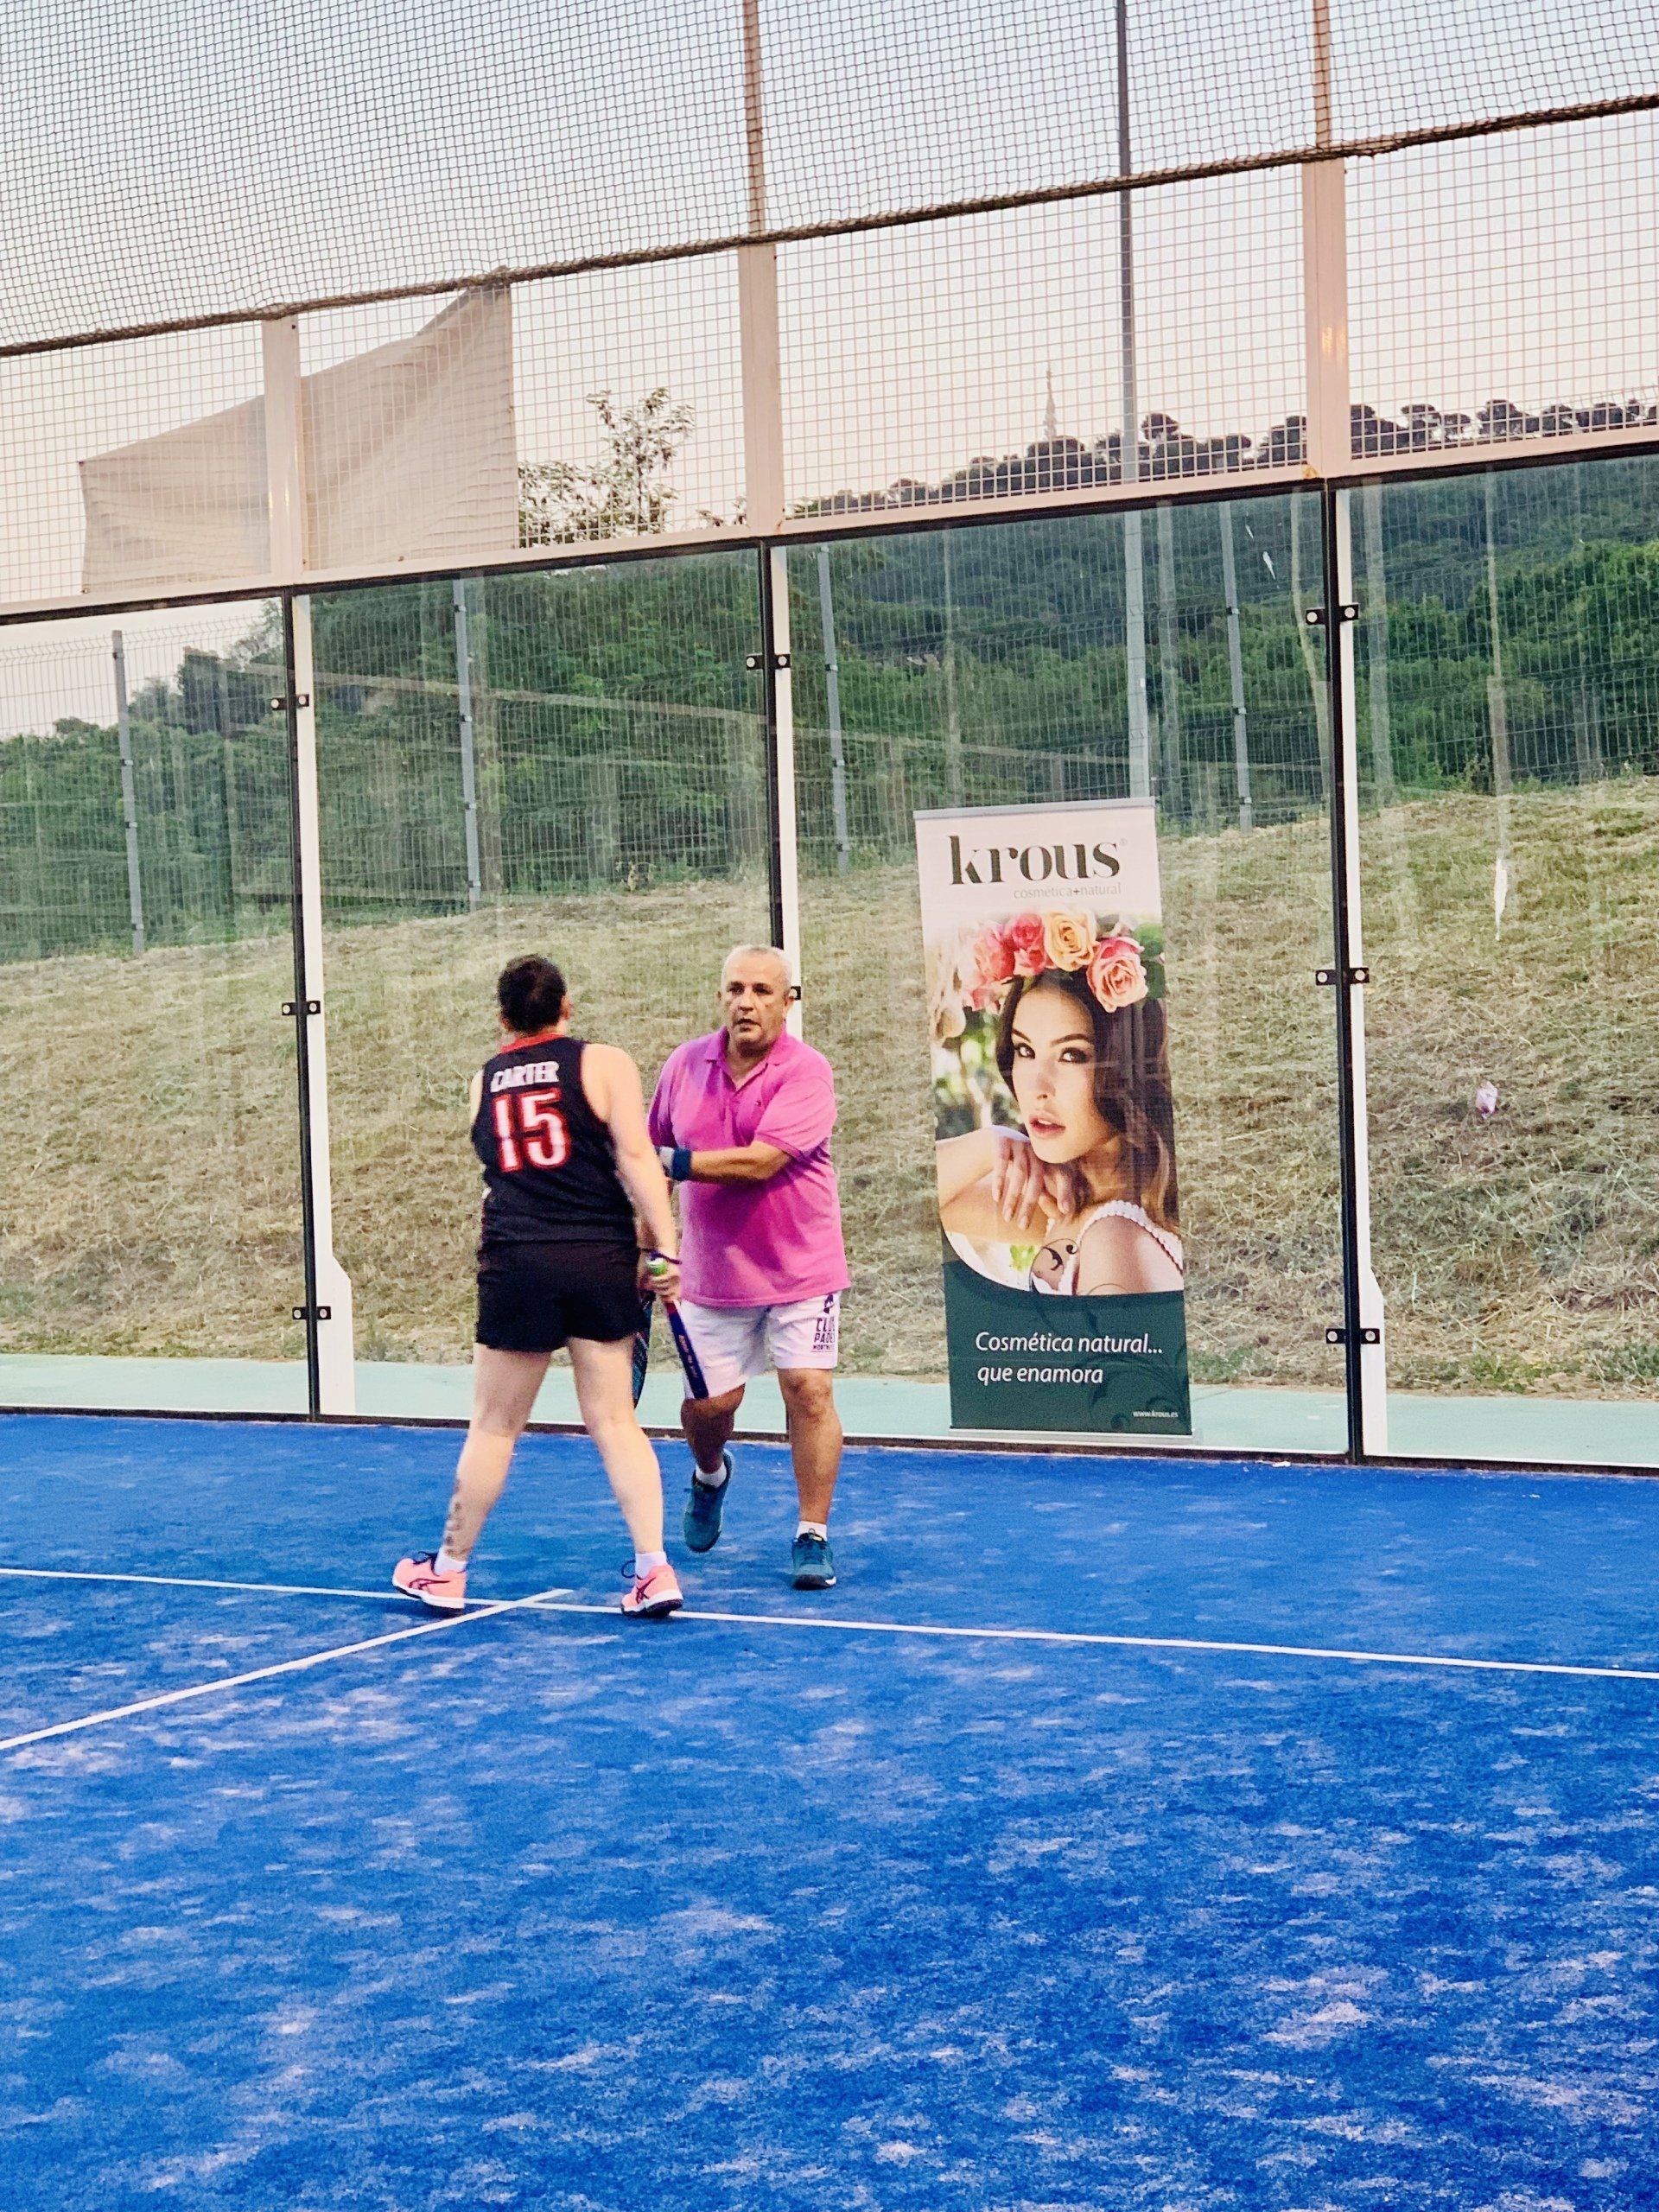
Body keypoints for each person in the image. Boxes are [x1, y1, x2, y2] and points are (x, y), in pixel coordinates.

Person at [393, 954, 686, 1620]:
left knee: (495, 1426)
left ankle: (448, 1572)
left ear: (503, 1019)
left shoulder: (483, 1083)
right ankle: (654, 1569)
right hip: (597, 1255)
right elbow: (637, 1159)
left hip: (517, 1260)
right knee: (615, 1420)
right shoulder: (604, 1064)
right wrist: (664, 1249)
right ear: (567, 1006)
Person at [649, 945, 850, 1589]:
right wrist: (646, 1247)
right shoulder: (683, 1066)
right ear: (720, 997)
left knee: (809, 1391)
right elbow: (647, 1164)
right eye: (736, 989)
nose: (747, 1002)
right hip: (713, 1276)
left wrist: (676, 1162)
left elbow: (761, 1162)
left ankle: (812, 1535)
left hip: (802, 1269)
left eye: (763, 991)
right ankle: (710, 1476)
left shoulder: (807, 1072)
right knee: (710, 1408)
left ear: (788, 1003)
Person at [934, 944, 1184, 1298]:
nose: (1037, 1087)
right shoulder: (1071, 1199)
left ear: (1130, 1070)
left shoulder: (1114, 1240)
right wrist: (990, 1144)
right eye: (1025, 1050)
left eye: (1072, 1055)